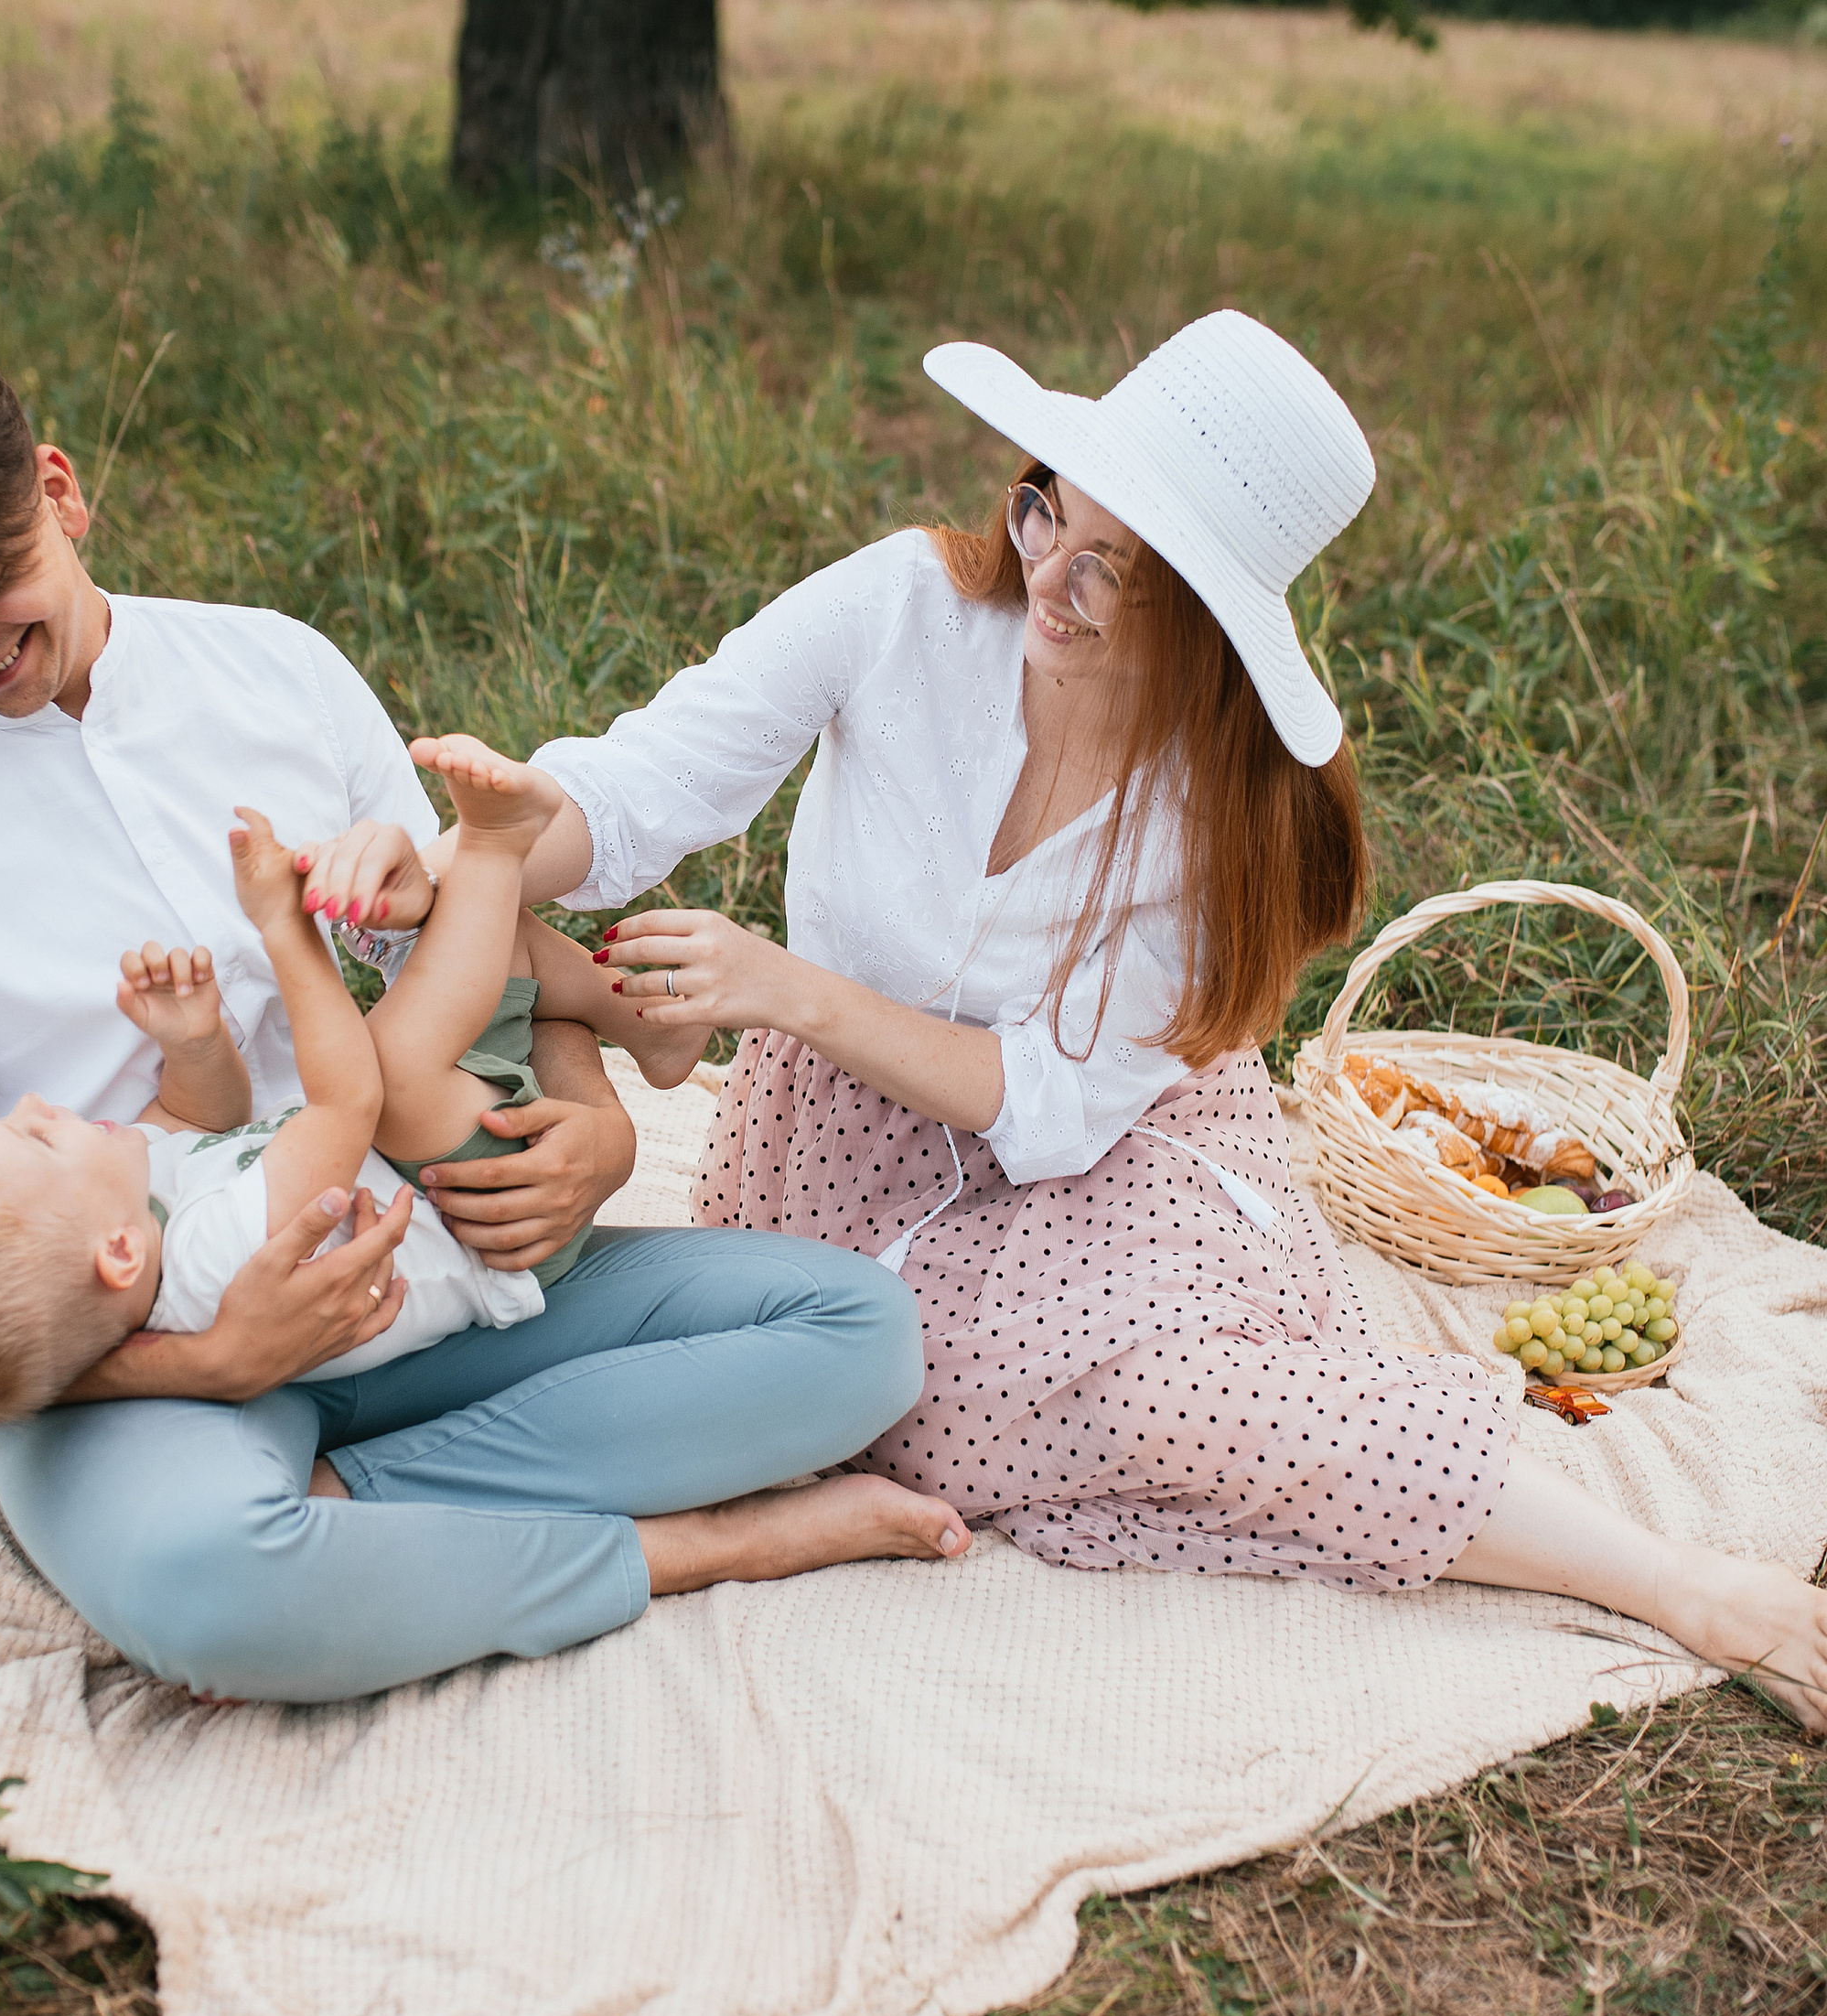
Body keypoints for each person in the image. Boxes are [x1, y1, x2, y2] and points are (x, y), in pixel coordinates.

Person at [330, 307, 1826, 1736]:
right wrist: (481, 846)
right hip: (849, 1142)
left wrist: (790, 990)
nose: (1053, 578)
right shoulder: (903, 606)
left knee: (1170, 1393)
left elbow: (1048, 1105)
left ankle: (1671, 1582)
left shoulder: (1218, 812)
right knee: (899, 1377)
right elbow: (645, 787)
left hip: (1106, 1146)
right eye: (1051, 512)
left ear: (1212, 619)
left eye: (1123, 567)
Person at [0, 328, 968, 1709]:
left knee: (860, 1336)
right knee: (209, 1586)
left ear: (59, 491)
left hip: (439, 1245)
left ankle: (358, 1505)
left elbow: (474, 937)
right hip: (137, 1365)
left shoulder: (275, 670)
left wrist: (593, 1131)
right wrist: (219, 1362)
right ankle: (679, 1548)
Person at [0, 745, 695, 1421]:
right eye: (33, 1137)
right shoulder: (209, 1268)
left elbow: (198, 1116)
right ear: (115, 1254)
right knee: (396, 1068)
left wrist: (191, 1045)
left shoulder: (135, 1213)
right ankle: (494, 845)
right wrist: (283, 928)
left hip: (435, 1170)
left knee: (471, 944)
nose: (35, 1106)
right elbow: (348, 1103)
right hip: (485, 1223)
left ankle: (641, 1027)